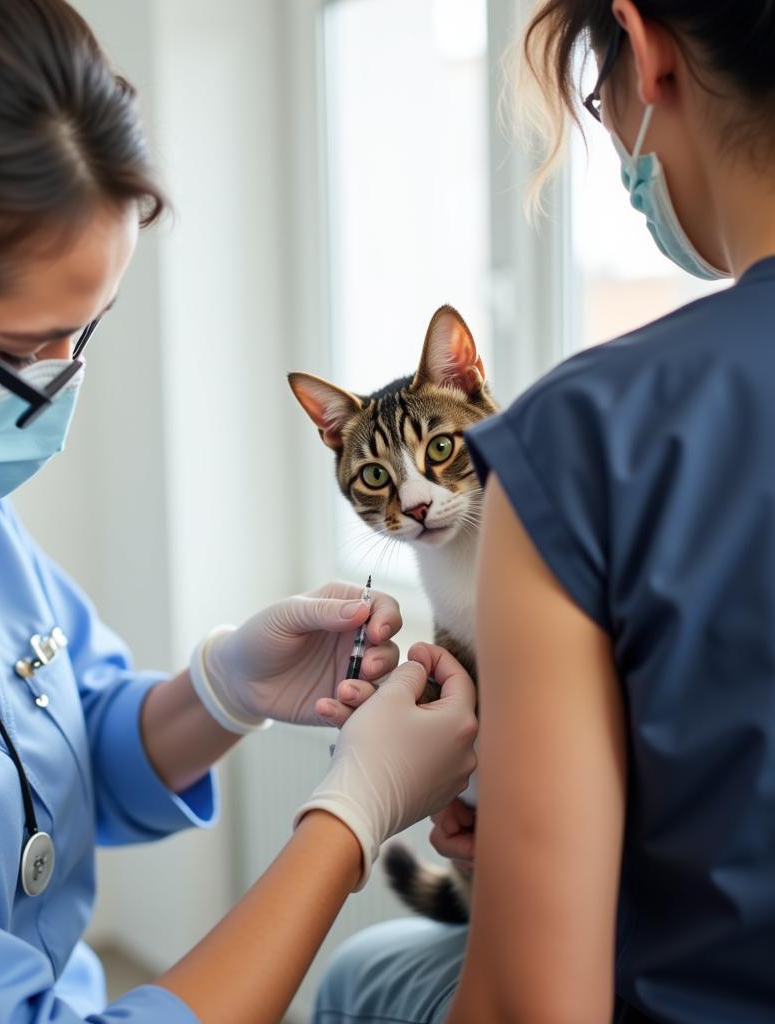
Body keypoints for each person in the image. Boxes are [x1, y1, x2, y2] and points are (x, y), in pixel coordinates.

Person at [0, 2, 481, 1022]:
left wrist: (223, 689)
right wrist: (349, 817)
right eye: (14, 353)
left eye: (81, 338)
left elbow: (64, 749)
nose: (50, 393)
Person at [314, 1, 775, 1022]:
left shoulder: (581, 436)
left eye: (592, 97)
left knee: (356, 974)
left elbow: (536, 1004)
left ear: (646, 53)